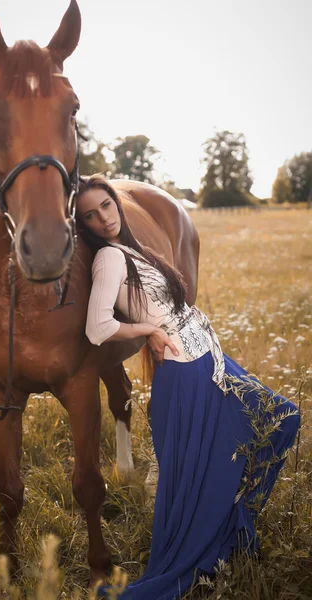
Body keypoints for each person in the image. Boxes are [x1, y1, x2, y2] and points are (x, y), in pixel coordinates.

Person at [76, 174, 301, 600]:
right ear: (84, 225)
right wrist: (148, 331)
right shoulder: (108, 258)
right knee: (204, 471)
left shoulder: (131, 248)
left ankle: (230, 531)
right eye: (90, 215)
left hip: (209, 361)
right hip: (184, 374)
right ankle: (205, 548)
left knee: (283, 418)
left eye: (105, 206)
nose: (102, 218)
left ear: (115, 202)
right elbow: (96, 327)